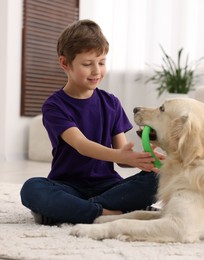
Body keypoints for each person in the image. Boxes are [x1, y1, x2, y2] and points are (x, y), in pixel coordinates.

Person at [20, 19, 161, 225]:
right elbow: (81, 145)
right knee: (32, 188)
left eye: (102, 62)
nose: (96, 71)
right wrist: (121, 156)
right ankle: (113, 212)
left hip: (108, 186)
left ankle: (76, 211)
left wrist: (140, 159)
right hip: (68, 186)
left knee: (161, 178)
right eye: (87, 64)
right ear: (64, 63)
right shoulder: (54, 106)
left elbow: (121, 157)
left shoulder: (110, 102)